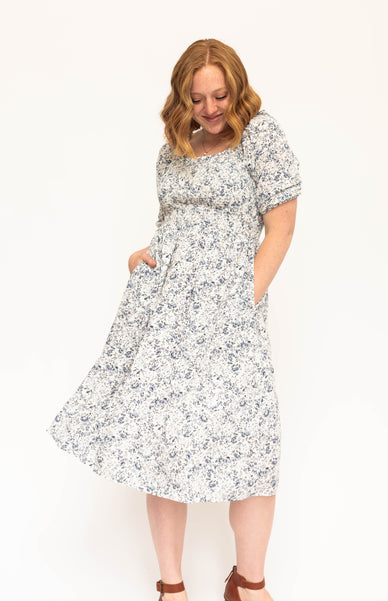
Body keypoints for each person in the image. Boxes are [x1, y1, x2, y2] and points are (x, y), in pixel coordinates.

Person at [46, 38, 302, 601]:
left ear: (236, 86)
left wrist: (245, 297)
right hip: (162, 312)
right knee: (160, 439)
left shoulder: (262, 137)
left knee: (252, 441)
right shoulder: (174, 149)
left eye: (219, 94)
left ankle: (250, 583)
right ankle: (172, 587)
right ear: (181, 100)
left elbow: (280, 226)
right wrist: (148, 254)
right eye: (197, 98)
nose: (210, 108)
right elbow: (175, 223)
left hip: (230, 312)